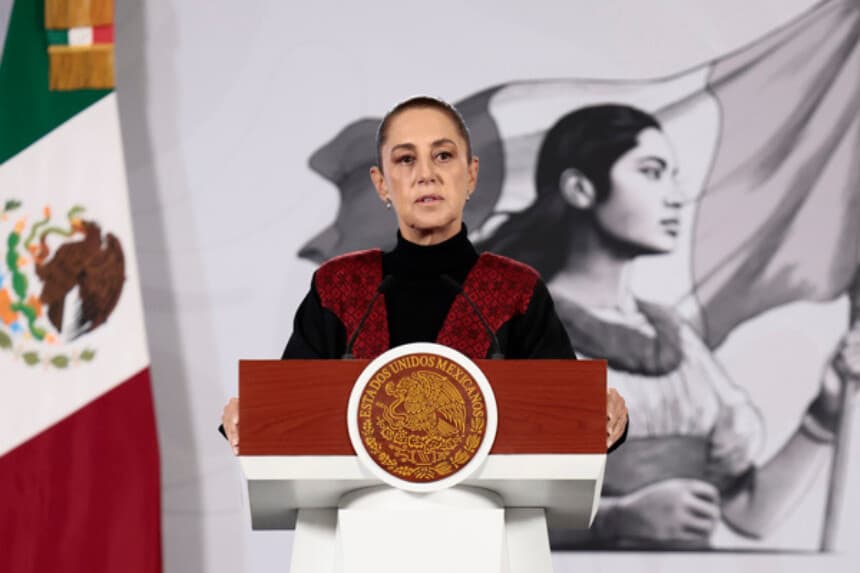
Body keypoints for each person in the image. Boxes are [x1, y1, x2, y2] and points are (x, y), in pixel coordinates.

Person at [480, 104, 860, 548]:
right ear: (581, 188)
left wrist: (826, 412)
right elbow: (479, 515)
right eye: (652, 171)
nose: (676, 195)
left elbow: (749, 514)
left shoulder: (678, 342)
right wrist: (615, 520)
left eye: (673, 174)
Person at [221, 96, 629, 455]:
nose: (426, 175)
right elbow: (286, 411)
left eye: (443, 156)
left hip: (484, 534)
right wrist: (249, 416)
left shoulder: (515, 290)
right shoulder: (340, 287)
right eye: (405, 159)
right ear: (382, 184)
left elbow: (567, 416)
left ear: (470, 175)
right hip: (361, 532)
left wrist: (606, 416)